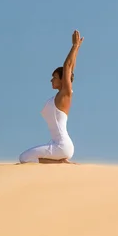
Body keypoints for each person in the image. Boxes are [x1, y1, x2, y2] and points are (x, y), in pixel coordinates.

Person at [18, 30, 84, 164]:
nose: (51, 80)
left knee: (24, 158)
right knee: (26, 157)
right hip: (58, 145)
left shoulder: (65, 94)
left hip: (61, 146)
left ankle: (60, 163)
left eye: (54, 77)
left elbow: (68, 68)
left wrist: (74, 46)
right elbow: (70, 70)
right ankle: (61, 162)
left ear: (62, 80)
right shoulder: (60, 96)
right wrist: (76, 50)